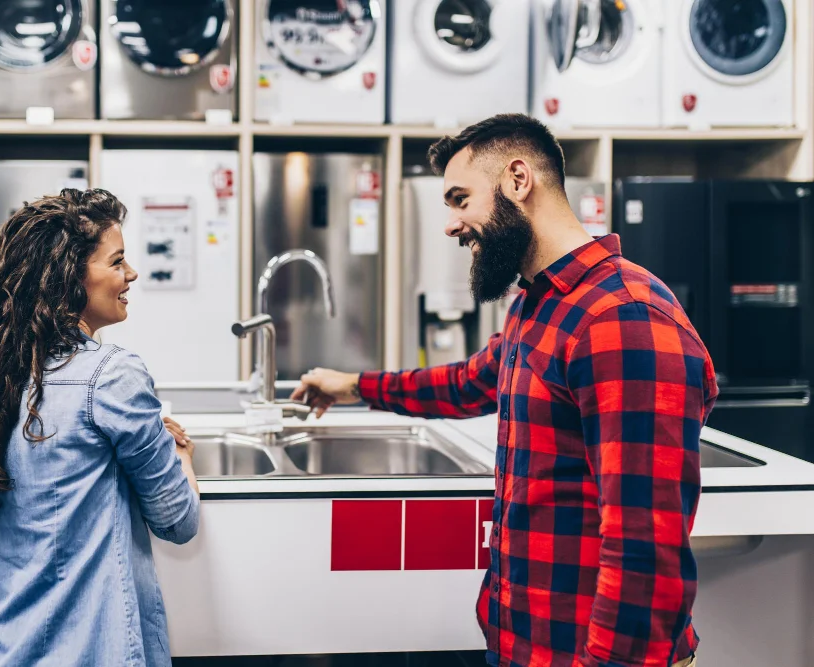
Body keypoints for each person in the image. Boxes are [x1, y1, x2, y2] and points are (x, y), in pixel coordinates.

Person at [293, 114, 717, 667]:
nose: (451, 224)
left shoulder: (621, 319)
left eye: (460, 199)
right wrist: (351, 385)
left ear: (519, 180)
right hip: (522, 640)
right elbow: (468, 382)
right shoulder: (542, 303)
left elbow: (645, 545)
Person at [0, 188, 199, 666]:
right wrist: (181, 457)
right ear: (71, 277)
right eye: (116, 262)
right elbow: (177, 521)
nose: (130, 274)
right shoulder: (112, 375)